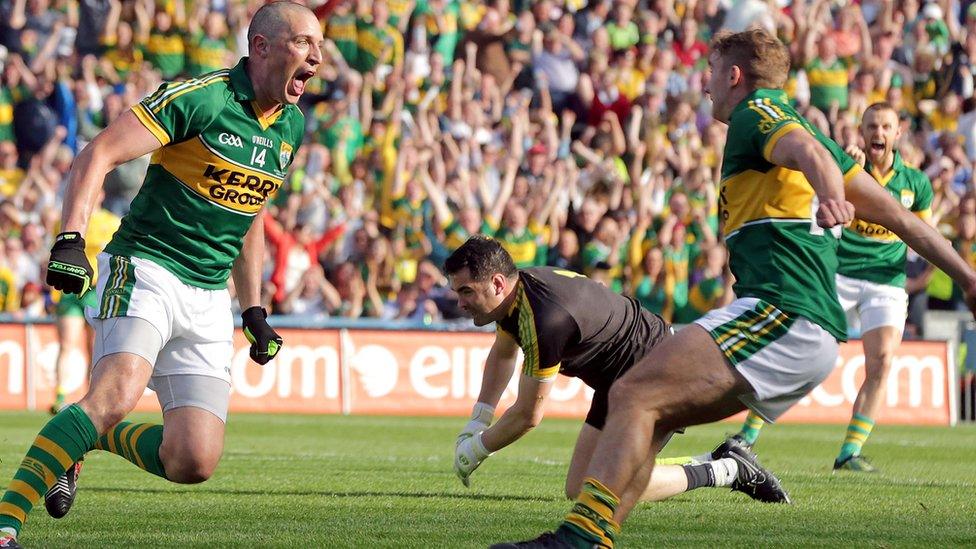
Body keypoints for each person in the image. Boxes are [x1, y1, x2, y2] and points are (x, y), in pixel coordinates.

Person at [491, 28, 976, 549]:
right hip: (797, 327)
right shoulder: (807, 138)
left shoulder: (758, 114)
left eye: (710, 71)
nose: (705, 85)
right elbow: (902, 218)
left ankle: (579, 541)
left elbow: (806, 150)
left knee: (631, 391)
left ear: (734, 75)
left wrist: (832, 197)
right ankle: (606, 526)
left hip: (785, 314)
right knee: (648, 414)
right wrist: (969, 278)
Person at [0, 3, 323, 546]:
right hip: (146, 265)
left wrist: (253, 309)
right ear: (262, 47)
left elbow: (251, 214)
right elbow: (97, 153)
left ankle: (87, 442)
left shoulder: (290, 124)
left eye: (320, 46)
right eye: (303, 43)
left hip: (208, 295)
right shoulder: (201, 98)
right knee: (114, 394)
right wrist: (71, 239)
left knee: (192, 460)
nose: (316, 57)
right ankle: (6, 523)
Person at [448, 235, 790, 514]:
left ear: (496, 283)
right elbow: (504, 350)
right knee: (580, 486)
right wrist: (479, 419)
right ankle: (721, 461)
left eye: (466, 291)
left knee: (607, 488)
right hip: (624, 375)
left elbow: (527, 415)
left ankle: (729, 469)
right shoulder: (519, 291)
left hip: (657, 368)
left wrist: (476, 449)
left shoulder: (544, 319)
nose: (460, 303)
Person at [732, 102, 934, 472]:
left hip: (885, 281)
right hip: (838, 273)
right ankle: (746, 435)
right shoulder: (846, 166)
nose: (879, 133)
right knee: (791, 346)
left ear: (897, 133)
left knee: (883, 360)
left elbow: (921, 234)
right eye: (872, 126)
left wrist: (926, 277)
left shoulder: (916, 184)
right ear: (861, 130)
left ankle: (849, 452)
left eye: (886, 127)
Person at [49, 192, 121, 414]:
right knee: (67, 343)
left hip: (96, 289)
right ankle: (60, 396)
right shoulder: (66, 221)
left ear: (101, 194)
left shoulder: (111, 221)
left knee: (94, 347)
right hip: (71, 289)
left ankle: (91, 397)